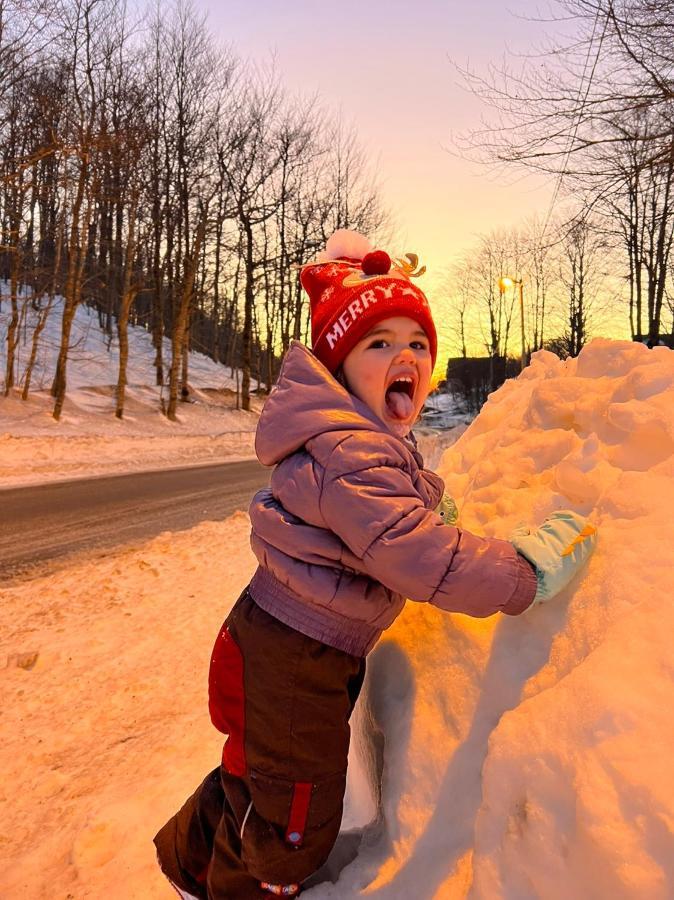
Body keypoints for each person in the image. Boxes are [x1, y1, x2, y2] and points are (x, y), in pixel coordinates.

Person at [154, 230, 597, 899]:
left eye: (417, 343)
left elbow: (392, 513)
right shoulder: (352, 452)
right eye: (380, 343)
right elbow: (422, 560)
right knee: (294, 821)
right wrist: (523, 572)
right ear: (340, 366)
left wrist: (430, 504)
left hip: (285, 642)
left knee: (262, 774)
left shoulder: (359, 442)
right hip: (294, 659)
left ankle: (191, 864)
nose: (406, 356)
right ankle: (242, 887)